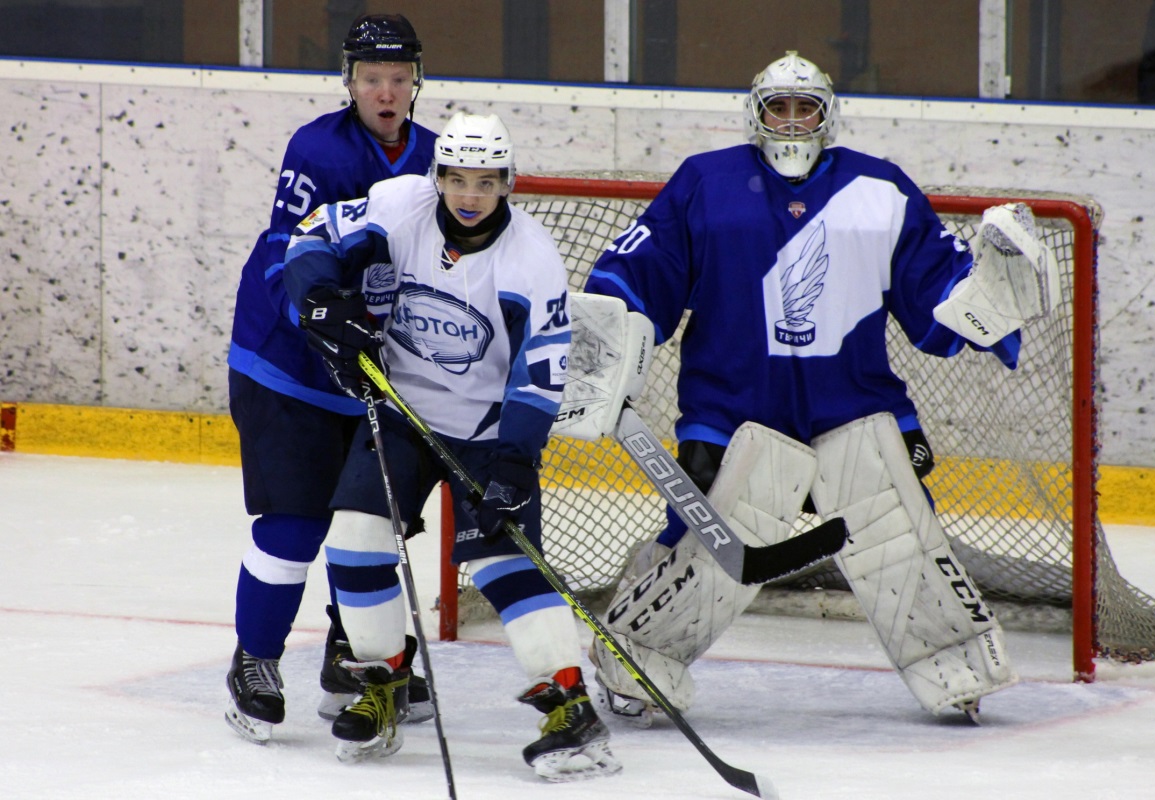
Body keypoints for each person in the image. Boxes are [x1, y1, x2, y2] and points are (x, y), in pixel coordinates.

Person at [582, 51, 1033, 725]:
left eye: (805, 108)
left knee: (896, 536)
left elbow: (936, 297)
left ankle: (955, 663)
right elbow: (640, 270)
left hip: (852, 404)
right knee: (704, 541)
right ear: (756, 113)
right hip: (729, 410)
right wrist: (605, 335)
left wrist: (984, 304)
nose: (791, 122)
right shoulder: (705, 183)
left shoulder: (881, 190)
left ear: (827, 115)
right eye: (778, 108)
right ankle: (637, 660)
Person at [279, 111, 622, 780]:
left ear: (507, 183)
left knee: (504, 565)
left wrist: (518, 459)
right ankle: (384, 680)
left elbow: (541, 367)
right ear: (437, 177)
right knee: (353, 537)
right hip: (403, 416)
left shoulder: (532, 258)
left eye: (486, 182)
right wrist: (319, 296)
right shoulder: (397, 204)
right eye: (458, 179)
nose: (470, 195)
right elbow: (308, 237)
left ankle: (570, 707)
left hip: (488, 434)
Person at [223, 13, 436, 744]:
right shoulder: (318, 148)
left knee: (370, 526)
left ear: (416, 83)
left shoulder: (436, 159)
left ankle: (354, 657)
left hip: (371, 376)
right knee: (294, 524)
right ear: (349, 81)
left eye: (398, 78)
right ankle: (254, 661)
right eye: (372, 78)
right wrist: (323, 312)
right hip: (285, 367)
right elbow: (289, 251)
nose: (386, 91)